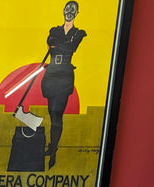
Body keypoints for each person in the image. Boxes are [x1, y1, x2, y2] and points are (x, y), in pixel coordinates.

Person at [41, 2, 87, 168]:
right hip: (51, 74)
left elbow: (71, 47)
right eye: (67, 8)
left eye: (72, 10)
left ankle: (53, 151)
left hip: (64, 77)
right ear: (63, 11)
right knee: (52, 113)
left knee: (57, 115)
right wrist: (63, 45)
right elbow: (52, 44)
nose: (69, 12)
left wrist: (58, 45)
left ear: (77, 13)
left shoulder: (79, 33)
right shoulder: (54, 30)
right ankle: (52, 146)